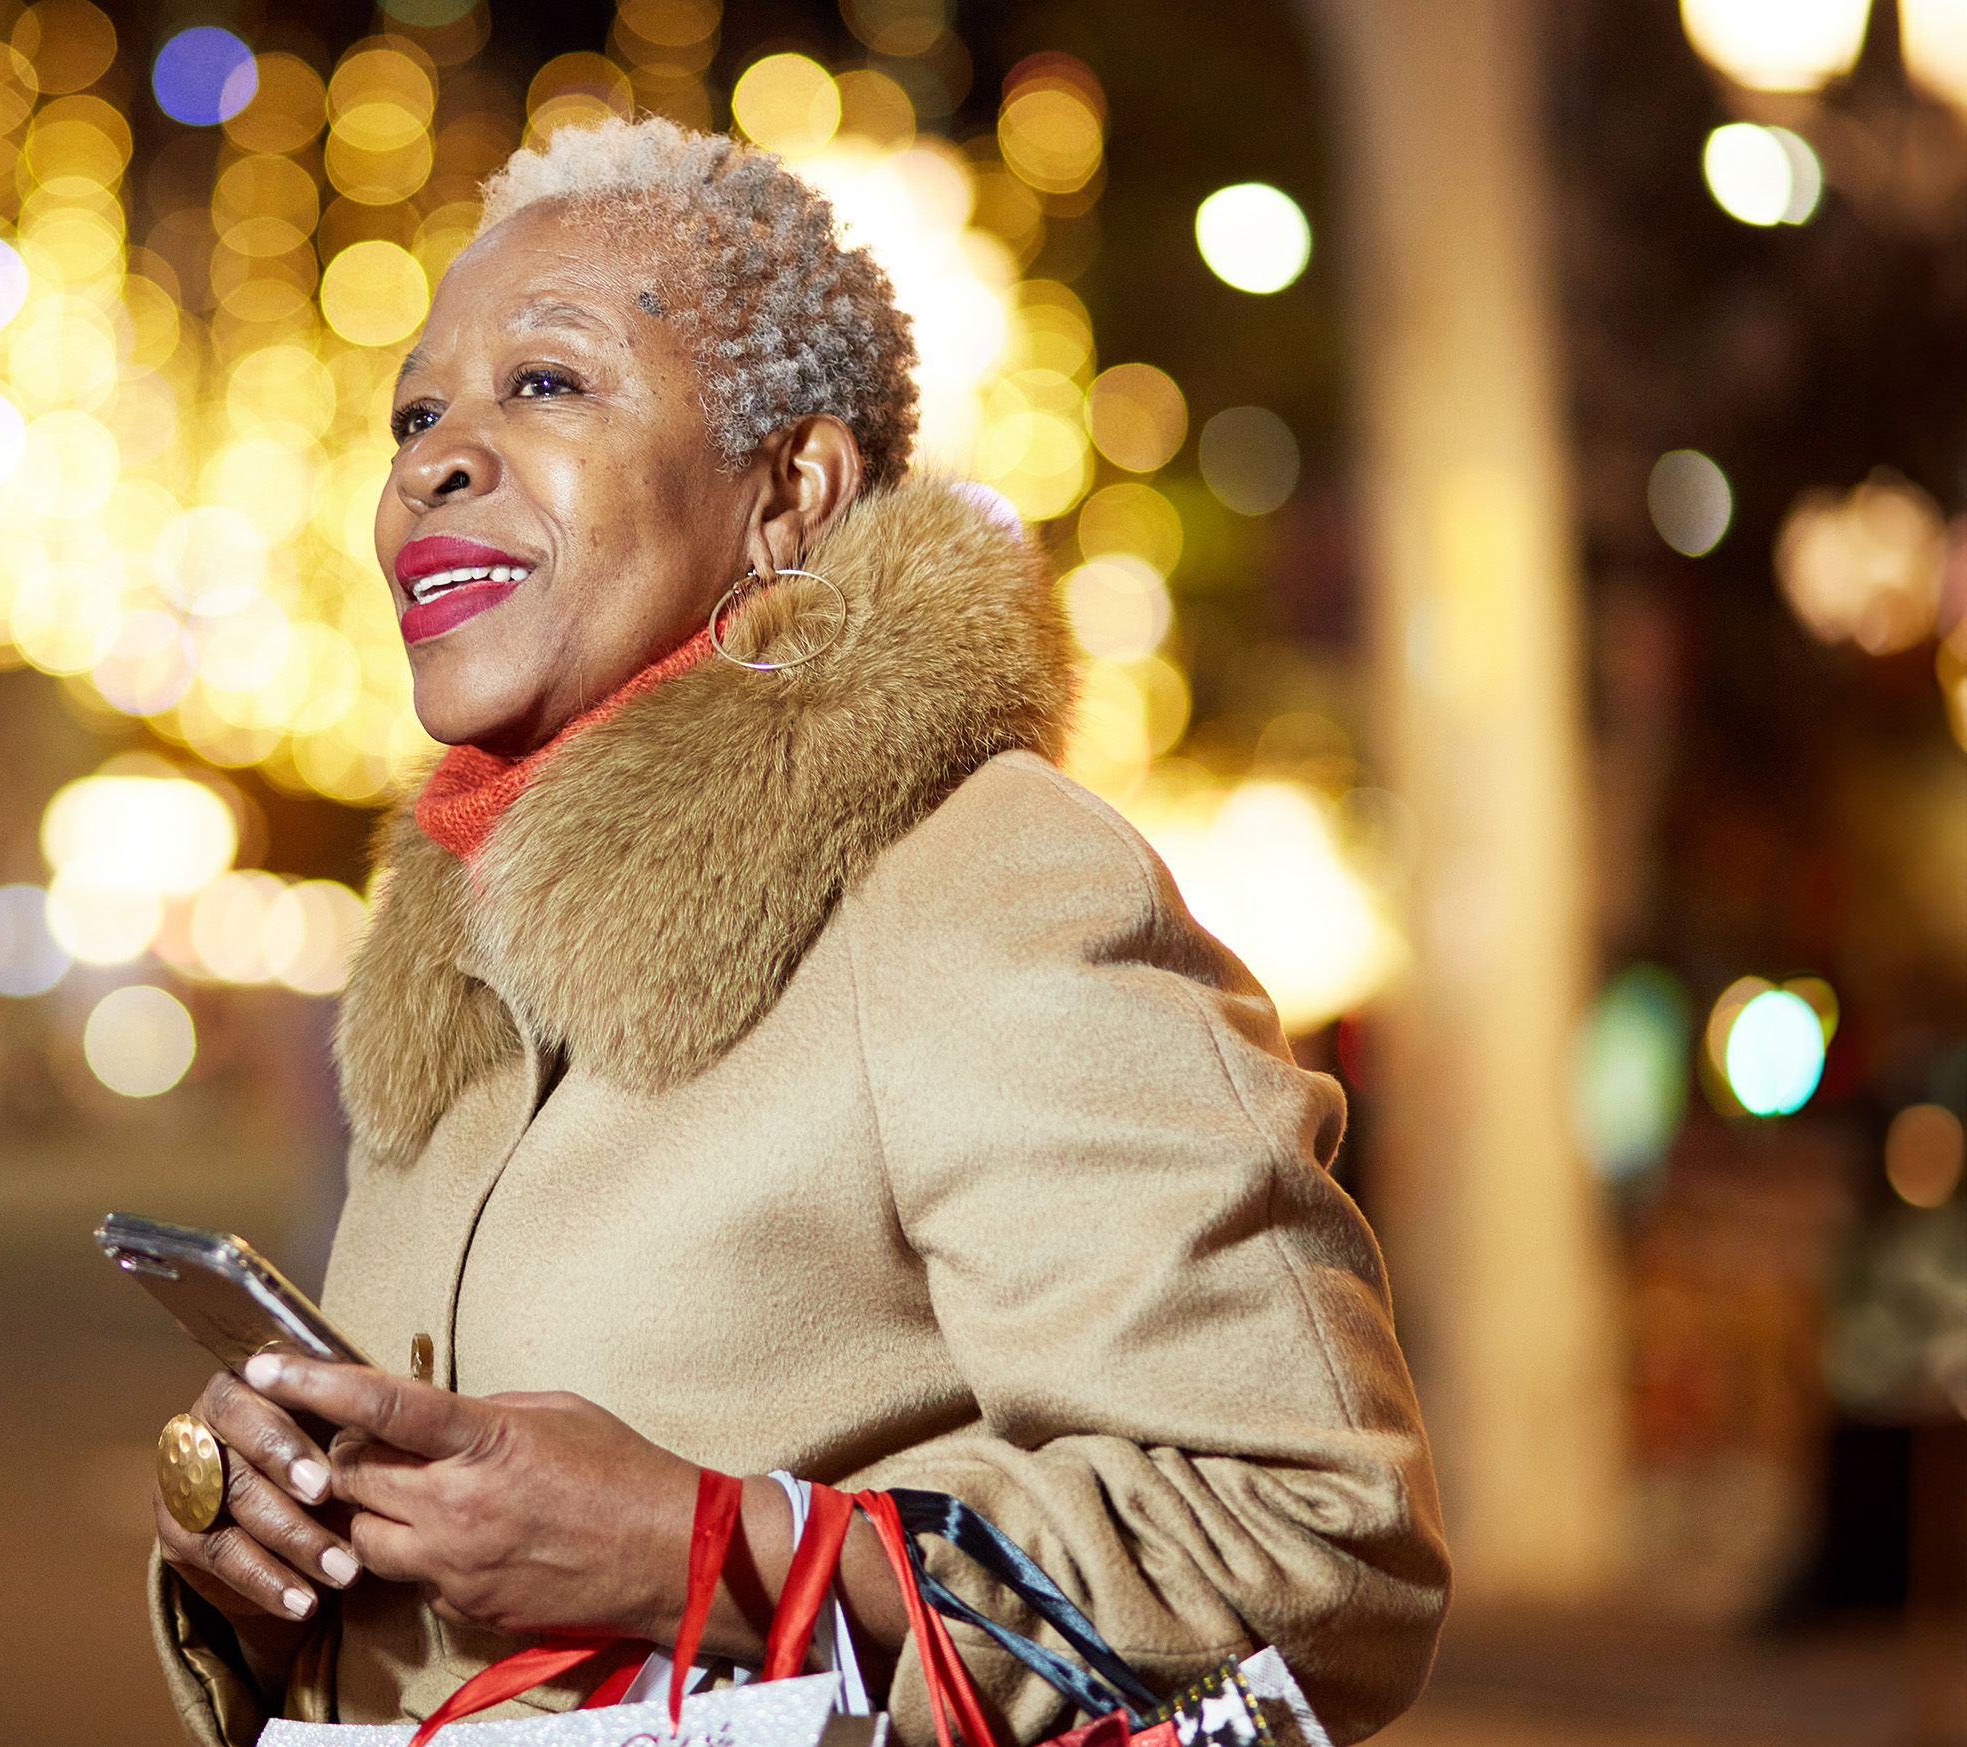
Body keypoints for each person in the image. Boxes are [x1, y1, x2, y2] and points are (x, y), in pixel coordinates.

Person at [148, 117, 1447, 1746]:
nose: (432, 458)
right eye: (416, 411)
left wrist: (711, 1547)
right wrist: (272, 1530)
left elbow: (1318, 1538)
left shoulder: (974, 880)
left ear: (791, 493)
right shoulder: (465, 952)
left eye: (545, 384)